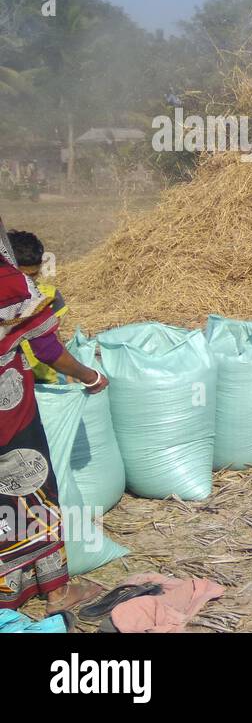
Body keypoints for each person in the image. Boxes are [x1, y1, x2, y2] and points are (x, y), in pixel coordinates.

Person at [0, 215, 109, 614]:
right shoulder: (10, 285)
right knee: (32, 490)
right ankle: (56, 592)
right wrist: (90, 375)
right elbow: (45, 349)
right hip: (10, 417)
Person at [8, 231, 67, 384]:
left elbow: (55, 338)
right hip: (12, 379)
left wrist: (69, 375)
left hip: (46, 380)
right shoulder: (4, 302)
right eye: (23, 276)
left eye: (33, 275)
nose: (29, 282)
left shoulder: (50, 296)